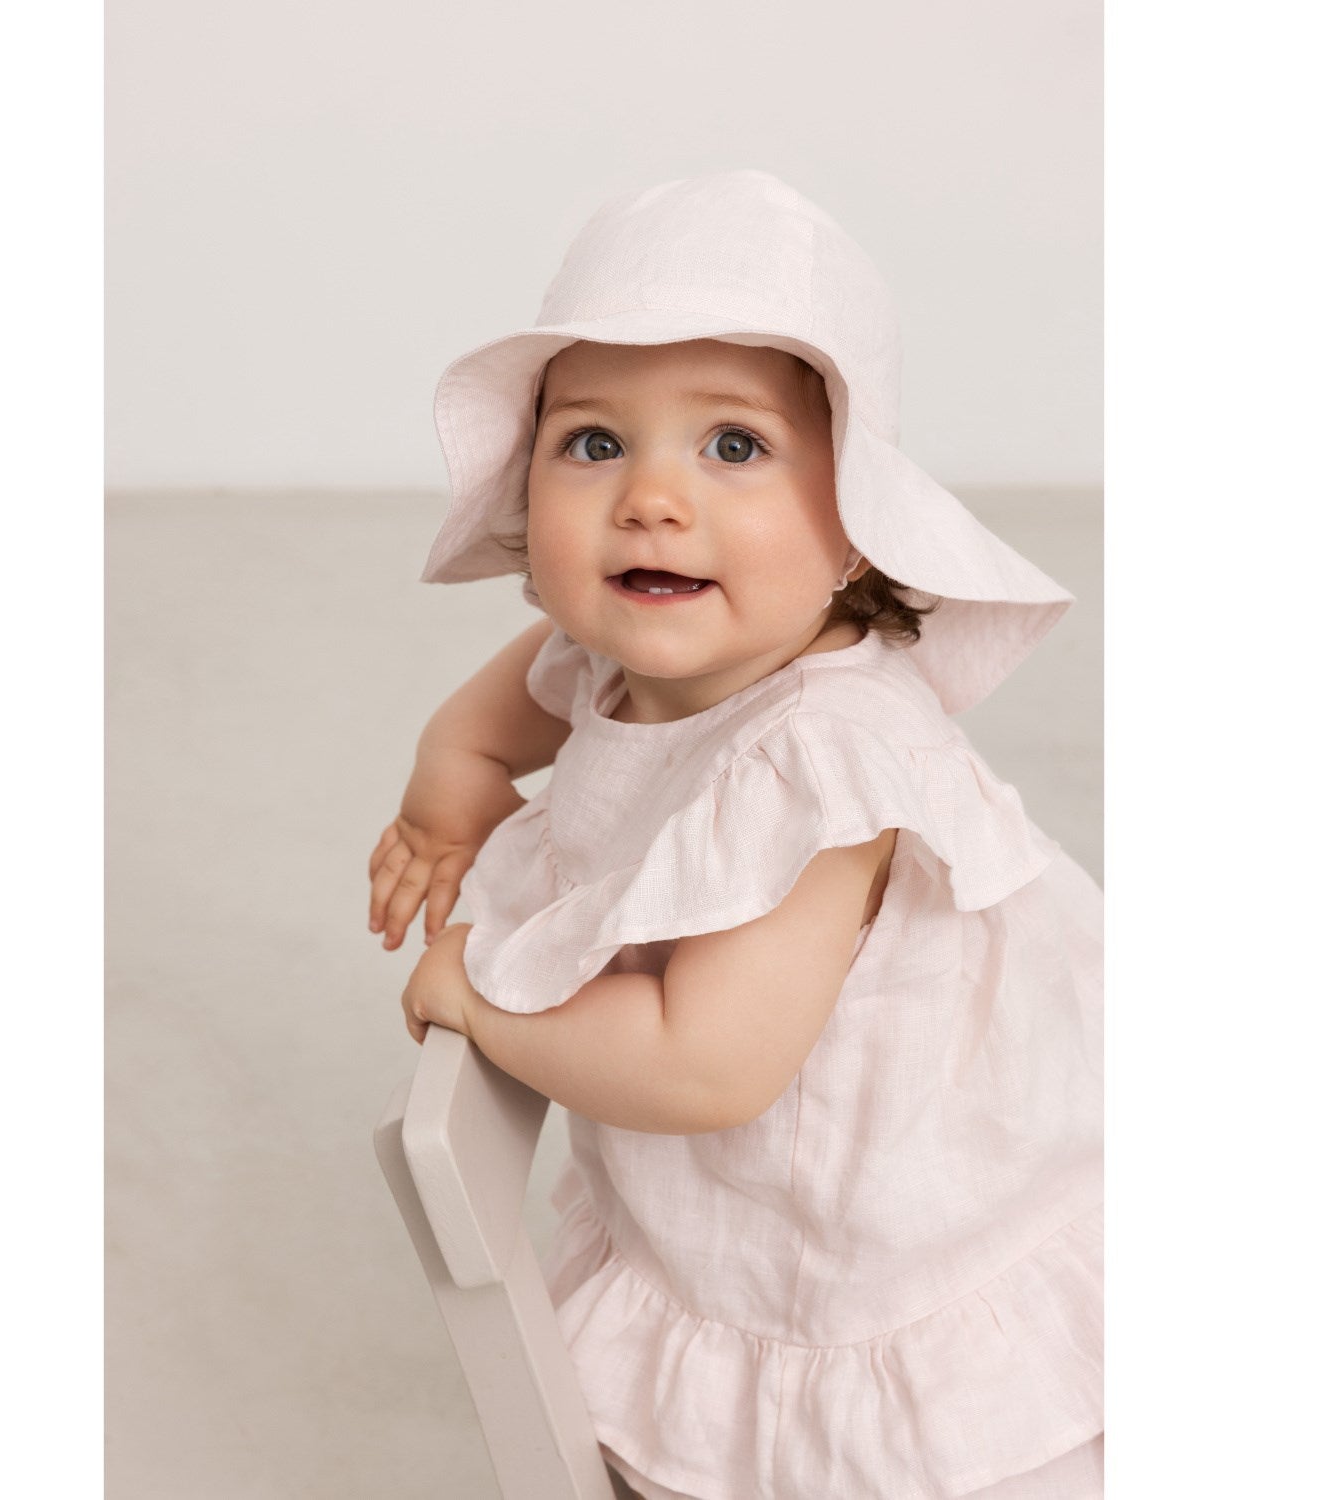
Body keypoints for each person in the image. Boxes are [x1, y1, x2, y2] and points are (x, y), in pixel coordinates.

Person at [369, 170, 1103, 1500]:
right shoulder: (620, 655)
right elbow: (504, 704)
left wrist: (479, 990)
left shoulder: (820, 764)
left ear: (855, 529)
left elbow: (703, 1065)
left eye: (734, 446)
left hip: (900, 1238)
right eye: (595, 443)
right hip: (744, 1188)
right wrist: (450, 783)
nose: (653, 497)